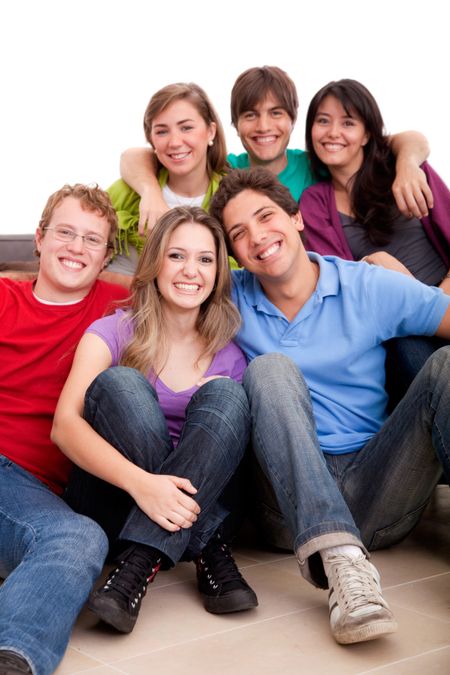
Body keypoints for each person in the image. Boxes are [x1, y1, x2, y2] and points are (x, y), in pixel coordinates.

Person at [208, 167, 450, 646]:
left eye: (266, 217)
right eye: (239, 233)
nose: (258, 237)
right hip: (286, 507)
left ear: (296, 218)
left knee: (446, 365)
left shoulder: (367, 285)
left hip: (380, 488)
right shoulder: (226, 298)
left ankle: (348, 554)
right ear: (232, 253)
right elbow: (154, 297)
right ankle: (342, 566)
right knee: (269, 370)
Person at [51, 206, 257, 635]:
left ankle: (138, 563)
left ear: (218, 272)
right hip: (113, 500)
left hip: (191, 503)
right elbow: (64, 427)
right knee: (121, 383)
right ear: (155, 263)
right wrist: (143, 485)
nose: (191, 270)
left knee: (226, 395)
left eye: (205, 259)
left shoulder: (231, 353)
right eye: (177, 255)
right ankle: (206, 545)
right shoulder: (111, 331)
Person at [0, 184, 129, 675]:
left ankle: (14, 659)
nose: (76, 247)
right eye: (65, 233)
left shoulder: (117, 304)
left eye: (92, 240)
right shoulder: (4, 296)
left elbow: (188, 280)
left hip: (39, 496)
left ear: (106, 256)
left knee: (78, 539)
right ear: (39, 238)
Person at [119, 66, 433, 233]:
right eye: (250, 115)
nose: (264, 126)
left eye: (276, 113)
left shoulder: (317, 164)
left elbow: (406, 140)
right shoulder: (227, 171)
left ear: (293, 119)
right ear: (235, 124)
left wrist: (407, 165)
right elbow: (135, 156)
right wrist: (150, 191)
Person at [299, 78, 450, 403]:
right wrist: (378, 267)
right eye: (323, 121)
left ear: (367, 134)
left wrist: (439, 295)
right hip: (396, 325)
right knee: (417, 359)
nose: (333, 132)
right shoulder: (314, 201)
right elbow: (338, 283)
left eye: (348, 122)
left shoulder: (408, 170)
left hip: (447, 293)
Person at [104, 82, 231, 285]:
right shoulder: (127, 191)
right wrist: (150, 192)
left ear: (211, 131)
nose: (174, 142)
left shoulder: (231, 200)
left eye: (186, 128)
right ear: (151, 139)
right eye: (162, 131)